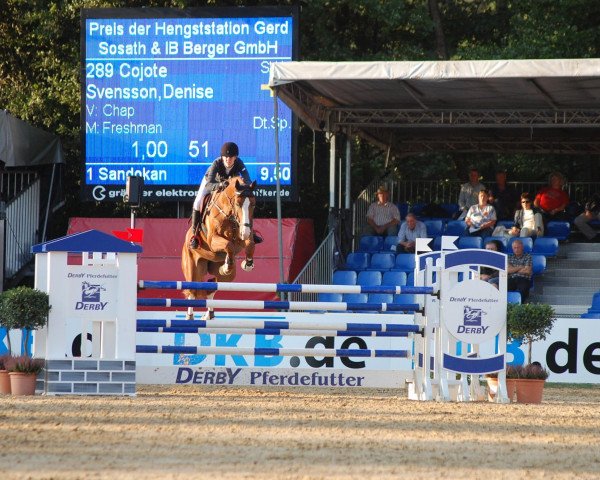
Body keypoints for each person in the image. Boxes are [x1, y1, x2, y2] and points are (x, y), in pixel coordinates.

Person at [189, 141, 251, 249]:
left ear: (235, 157)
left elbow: (247, 179)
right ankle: (195, 235)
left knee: (243, 203)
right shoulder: (216, 163)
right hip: (212, 182)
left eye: (231, 157)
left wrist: (248, 188)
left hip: (228, 186)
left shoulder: (239, 163)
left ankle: (249, 231)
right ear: (222, 157)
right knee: (197, 202)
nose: (228, 159)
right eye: (226, 157)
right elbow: (209, 185)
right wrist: (220, 185)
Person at [506, 239, 532, 303]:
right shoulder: (509, 257)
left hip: (523, 278)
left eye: (518, 247)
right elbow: (508, 270)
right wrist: (521, 267)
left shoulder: (528, 256)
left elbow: (527, 271)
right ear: (512, 248)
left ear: (522, 247)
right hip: (511, 278)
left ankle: (521, 305)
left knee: (523, 289)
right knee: (503, 288)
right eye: (515, 248)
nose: (516, 249)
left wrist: (513, 269)